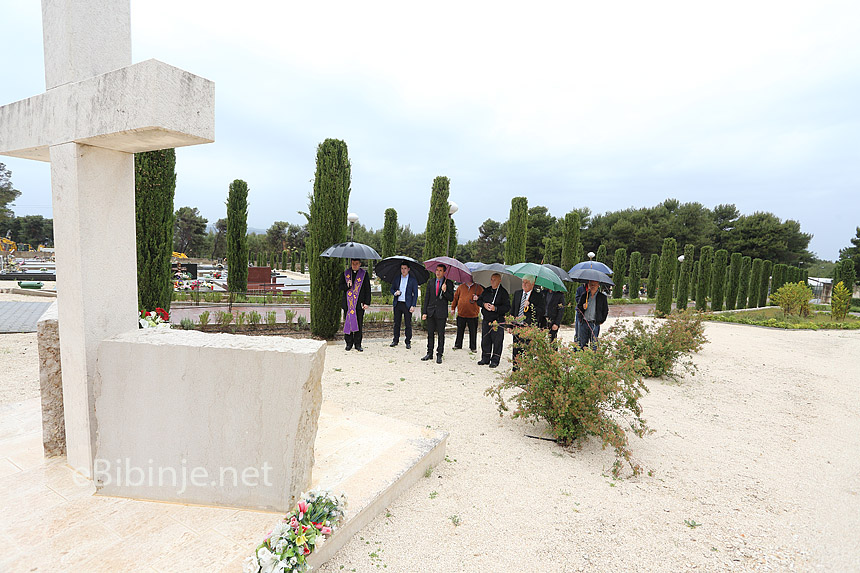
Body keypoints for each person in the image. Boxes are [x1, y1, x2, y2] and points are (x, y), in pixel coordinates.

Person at [509, 276, 544, 371]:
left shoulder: (538, 296)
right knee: (516, 350)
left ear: (532, 284)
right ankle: (515, 371)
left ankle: (527, 373)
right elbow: (513, 310)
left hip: (528, 327)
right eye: (523, 282)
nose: (524, 284)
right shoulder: (517, 293)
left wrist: (530, 305)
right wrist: (510, 325)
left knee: (528, 350)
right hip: (517, 326)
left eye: (526, 283)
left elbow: (541, 311)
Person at [477, 273, 511, 368]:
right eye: (491, 279)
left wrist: (495, 308)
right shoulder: (487, 290)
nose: (492, 281)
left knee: (497, 340)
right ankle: (485, 358)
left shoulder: (503, 292)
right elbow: (479, 301)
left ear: (499, 281)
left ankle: (495, 360)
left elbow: (507, 307)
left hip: (498, 320)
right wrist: (484, 304)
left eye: (494, 280)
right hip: (487, 319)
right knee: (485, 339)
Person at [421, 264, 454, 363]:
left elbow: (451, 298)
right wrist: (424, 312)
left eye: (440, 270)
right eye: (437, 270)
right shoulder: (431, 282)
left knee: (441, 334)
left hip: (441, 313)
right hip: (431, 312)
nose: (438, 272)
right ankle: (429, 353)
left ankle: (439, 354)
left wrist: (444, 291)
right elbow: (427, 298)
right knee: (430, 333)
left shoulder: (448, 283)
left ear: (444, 272)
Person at [340, 258, 371, 351]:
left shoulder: (364, 275)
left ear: (360, 264)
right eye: (353, 263)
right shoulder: (345, 274)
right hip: (348, 305)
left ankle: (358, 344)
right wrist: (347, 285)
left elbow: (367, 290)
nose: (354, 265)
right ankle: (348, 343)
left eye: (356, 264)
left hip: (359, 304)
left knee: (359, 324)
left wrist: (367, 302)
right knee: (348, 323)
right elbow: (340, 287)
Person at [390, 262, 418, 349]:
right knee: (396, 323)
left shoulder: (412, 280)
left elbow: (415, 294)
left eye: (405, 268)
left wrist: (413, 305)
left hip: (407, 304)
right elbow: (392, 289)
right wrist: (395, 292)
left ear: (408, 269)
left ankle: (408, 341)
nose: (403, 270)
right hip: (398, 304)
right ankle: (395, 340)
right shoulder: (397, 278)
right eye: (402, 268)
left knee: (408, 324)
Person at [451, 278, 483, 352]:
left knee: (473, 331)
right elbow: (455, 298)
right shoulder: (460, 287)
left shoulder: (478, 288)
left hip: (473, 314)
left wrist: (478, 298)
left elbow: (483, 299)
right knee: (460, 330)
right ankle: (458, 344)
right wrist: (453, 308)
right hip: (461, 313)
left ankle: (473, 347)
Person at [575, 280, 608, 349]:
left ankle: (593, 359)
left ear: (598, 285)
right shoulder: (584, 295)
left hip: (594, 324)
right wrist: (583, 307)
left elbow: (605, 310)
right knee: (582, 344)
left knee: (594, 344)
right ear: (589, 285)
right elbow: (578, 308)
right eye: (591, 284)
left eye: (594, 284)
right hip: (584, 323)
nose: (593, 286)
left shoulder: (602, 297)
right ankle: (583, 358)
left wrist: (601, 320)